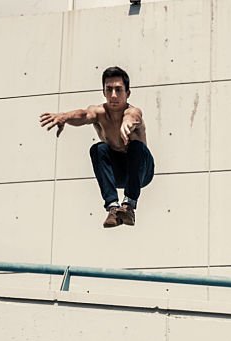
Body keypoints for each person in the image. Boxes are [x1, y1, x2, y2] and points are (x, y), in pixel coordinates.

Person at [39, 66, 155, 228]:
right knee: (98, 148)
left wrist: (127, 124)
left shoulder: (132, 111)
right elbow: (84, 115)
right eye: (109, 90)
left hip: (141, 172)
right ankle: (113, 207)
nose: (113, 95)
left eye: (118, 90)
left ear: (127, 93)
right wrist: (64, 117)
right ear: (104, 92)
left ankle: (129, 205)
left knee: (136, 147)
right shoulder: (100, 113)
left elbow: (134, 117)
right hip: (118, 174)